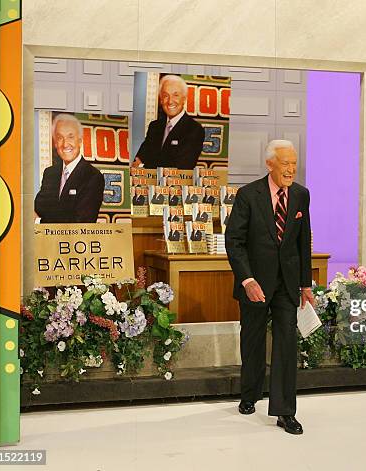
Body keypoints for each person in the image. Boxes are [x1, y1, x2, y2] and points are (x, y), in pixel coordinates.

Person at [225, 140, 314, 435]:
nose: (291, 169)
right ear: (270, 164)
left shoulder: (301, 195)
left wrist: (305, 283)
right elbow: (234, 241)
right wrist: (247, 280)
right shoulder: (248, 195)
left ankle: (285, 411)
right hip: (255, 283)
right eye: (286, 163)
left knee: (286, 343)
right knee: (252, 340)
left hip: (287, 285)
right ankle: (249, 394)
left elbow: (303, 242)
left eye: (294, 163)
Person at [34, 114, 104, 223]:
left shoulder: (93, 176)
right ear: (55, 143)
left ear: (80, 140)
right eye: (60, 137)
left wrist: (44, 219)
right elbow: (39, 207)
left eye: (70, 137)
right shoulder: (50, 173)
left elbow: (82, 221)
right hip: (45, 239)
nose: (65, 144)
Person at [133, 75, 205, 169]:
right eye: (166, 96)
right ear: (161, 100)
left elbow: (181, 168)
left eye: (176, 95)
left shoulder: (194, 129)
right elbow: (137, 161)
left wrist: (146, 166)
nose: (170, 101)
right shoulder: (154, 126)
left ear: (184, 99)